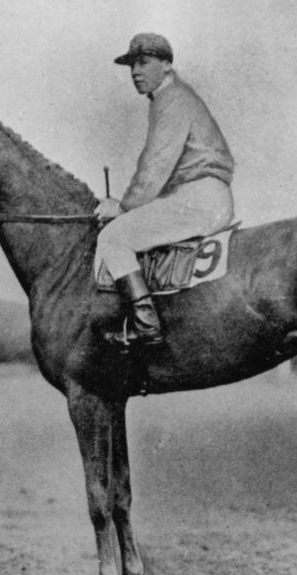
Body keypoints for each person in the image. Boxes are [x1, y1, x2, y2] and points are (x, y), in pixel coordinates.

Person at [94, 32, 235, 348]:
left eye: (143, 63)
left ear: (167, 66)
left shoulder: (173, 99)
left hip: (198, 198)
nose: (135, 72)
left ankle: (146, 326)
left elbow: (155, 166)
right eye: (132, 65)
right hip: (198, 196)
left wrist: (123, 207)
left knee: (112, 236)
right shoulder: (170, 99)